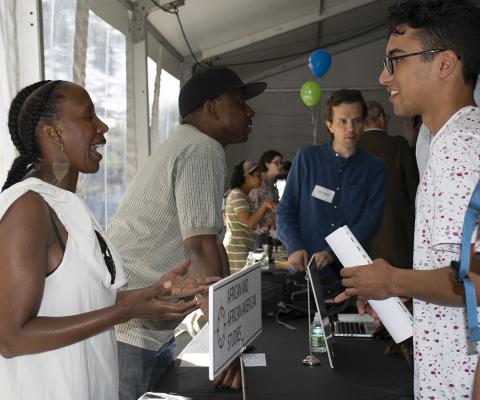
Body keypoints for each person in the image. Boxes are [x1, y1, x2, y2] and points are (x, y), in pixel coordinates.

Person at [0, 80, 211, 400]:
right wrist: (123, 312)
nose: (103, 127)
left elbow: (81, 300)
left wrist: (149, 296)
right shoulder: (29, 207)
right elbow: (11, 338)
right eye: (88, 118)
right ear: (53, 132)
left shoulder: (66, 204)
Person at [336, 1, 480, 397]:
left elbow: (476, 282)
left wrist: (391, 280)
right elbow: (458, 267)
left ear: (445, 63)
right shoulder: (448, 141)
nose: (384, 76)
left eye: (395, 60)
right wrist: (398, 288)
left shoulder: (461, 147)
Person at [106, 66, 266, 398]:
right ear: (211, 107)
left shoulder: (192, 144)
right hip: (133, 331)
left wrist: (230, 331)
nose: (250, 110)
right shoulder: (201, 148)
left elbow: (214, 246)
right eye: (239, 100)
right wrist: (227, 344)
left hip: (143, 326)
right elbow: (200, 250)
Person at [276, 89, 385, 276]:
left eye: (357, 121)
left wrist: (333, 253)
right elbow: (286, 208)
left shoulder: (375, 167)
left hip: (350, 270)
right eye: (343, 121)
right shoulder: (307, 158)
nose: (350, 128)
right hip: (304, 267)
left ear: (364, 124)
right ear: (330, 125)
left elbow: (370, 220)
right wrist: (294, 246)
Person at [359, 100, 418, 268]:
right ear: (381, 119)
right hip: (395, 233)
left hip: (360, 236)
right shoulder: (398, 145)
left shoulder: (352, 148)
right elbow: (415, 192)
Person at [224, 160, 277, 273]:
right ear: (247, 176)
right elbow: (249, 222)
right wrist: (264, 205)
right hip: (237, 248)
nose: (261, 180)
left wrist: (268, 222)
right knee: (240, 280)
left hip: (245, 246)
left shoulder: (244, 196)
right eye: (258, 176)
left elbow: (253, 224)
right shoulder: (237, 194)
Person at [249, 149, 283, 250]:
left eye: (281, 163)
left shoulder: (273, 187)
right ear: (267, 164)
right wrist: (260, 226)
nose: (280, 165)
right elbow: (250, 208)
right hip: (259, 233)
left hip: (270, 232)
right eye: (276, 162)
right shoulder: (258, 183)